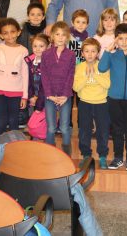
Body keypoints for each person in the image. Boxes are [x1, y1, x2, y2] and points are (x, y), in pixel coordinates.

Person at [98, 23, 127, 171]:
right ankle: (118, 157)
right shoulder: (112, 56)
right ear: (116, 40)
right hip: (114, 99)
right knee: (117, 129)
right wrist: (108, 50)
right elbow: (101, 68)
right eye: (120, 39)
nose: (124, 42)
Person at [0, 18, 29, 136]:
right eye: (5, 33)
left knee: (14, 122)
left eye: (12, 31)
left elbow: (25, 74)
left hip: (16, 92)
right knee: (1, 122)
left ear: (19, 32)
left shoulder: (24, 51)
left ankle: (14, 148)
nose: (9, 35)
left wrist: (25, 96)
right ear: (1, 35)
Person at [73, 38, 110, 169]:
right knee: (84, 130)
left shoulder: (103, 66)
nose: (90, 54)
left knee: (103, 130)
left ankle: (103, 156)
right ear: (82, 53)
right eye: (87, 51)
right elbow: (76, 88)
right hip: (85, 103)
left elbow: (107, 84)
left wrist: (95, 75)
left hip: (101, 103)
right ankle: (86, 155)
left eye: (93, 51)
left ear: (98, 53)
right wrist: (86, 77)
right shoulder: (79, 67)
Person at [41, 21, 75, 155]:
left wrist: (65, 95)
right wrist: (49, 94)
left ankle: (67, 153)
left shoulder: (71, 55)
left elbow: (70, 76)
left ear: (67, 37)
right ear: (52, 36)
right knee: (51, 128)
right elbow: (44, 75)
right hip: (50, 96)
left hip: (65, 97)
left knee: (65, 127)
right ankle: (50, 151)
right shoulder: (46, 54)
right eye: (57, 34)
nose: (60, 37)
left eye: (63, 35)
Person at [24, 34, 49, 113]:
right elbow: (27, 81)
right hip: (31, 97)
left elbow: (45, 86)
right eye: (35, 46)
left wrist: (38, 102)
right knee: (33, 120)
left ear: (48, 47)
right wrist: (31, 96)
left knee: (45, 120)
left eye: (41, 46)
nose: (37, 49)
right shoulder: (28, 61)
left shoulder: (49, 63)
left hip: (45, 98)